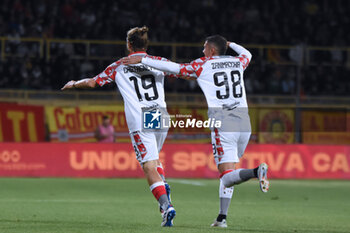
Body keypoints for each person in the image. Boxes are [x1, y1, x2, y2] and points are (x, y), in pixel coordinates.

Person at [122, 35, 269, 228]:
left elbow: (175, 68)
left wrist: (143, 59)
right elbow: (247, 53)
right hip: (244, 122)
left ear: (212, 51)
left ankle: (256, 171)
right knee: (230, 170)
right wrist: (231, 44)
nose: (202, 51)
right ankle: (222, 218)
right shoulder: (237, 62)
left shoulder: (203, 64)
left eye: (205, 47)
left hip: (223, 122)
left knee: (226, 175)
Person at [61, 26, 176, 227]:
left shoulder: (119, 66)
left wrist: (73, 83)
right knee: (155, 159)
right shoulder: (159, 62)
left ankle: (166, 206)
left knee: (148, 166)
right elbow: (181, 71)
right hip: (160, 115)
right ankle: (164, 191)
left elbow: (92, 83)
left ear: (129, 45)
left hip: (141, 117)